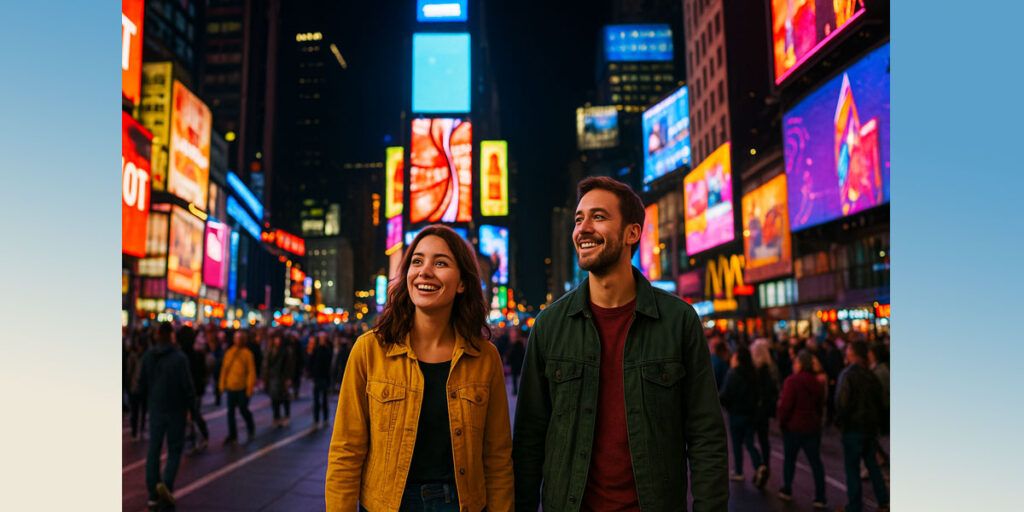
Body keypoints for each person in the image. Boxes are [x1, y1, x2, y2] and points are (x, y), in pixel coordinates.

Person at [513, 177, 728, 512]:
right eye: (579, 219)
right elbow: (528, 439)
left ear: (632, 233)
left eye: (598, 217)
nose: (583, 228)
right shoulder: (549, 325)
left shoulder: (679, 321)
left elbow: (706, 436)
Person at [326, 225, 513, 512]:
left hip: (462, 504)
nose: (425, 271)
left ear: (463, 282)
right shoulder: (370, 350)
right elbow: (346, 451)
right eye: (417, 261)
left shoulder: (484, 357)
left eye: (440, 262)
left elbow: (498, 457)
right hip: (387, 504)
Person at [138, 322, 195, 511]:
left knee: (153, 450)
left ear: (156, 336)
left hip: (156, 409)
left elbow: (141, 384)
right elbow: (187, 387)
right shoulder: (179, 358)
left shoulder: (148, 356)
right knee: (174, 449)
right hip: (176, 410)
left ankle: (153, 492)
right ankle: (166, 485)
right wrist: (192, 409)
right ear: (171, 335)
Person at [835, 341, 890, 512]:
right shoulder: (870, 375)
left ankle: (854, 505)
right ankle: (883, 501)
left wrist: (840, 421)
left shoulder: (848, 375)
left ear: (853, 354)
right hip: (869, 427)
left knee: (852, 469)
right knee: (872, 465)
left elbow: (841, 401)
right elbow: (880, 401)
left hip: (853, 427)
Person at [776, 350, 828, 508]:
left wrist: (782, 423)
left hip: (794, 427)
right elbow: (820, 404)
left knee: (790, 460)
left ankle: (787, 488)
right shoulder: (816, 382)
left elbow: (786, 406)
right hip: (811, 427)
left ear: (799, 364)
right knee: (815, 462)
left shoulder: (792, 381)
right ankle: (820, 496)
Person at [719, 346, 767, 488]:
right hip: (750, 413)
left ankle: (738, 470)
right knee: (749, 442)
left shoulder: (732, 374)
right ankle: (759, 465)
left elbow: (725, 394)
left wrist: (724, 403)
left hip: (736, 413)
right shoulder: (754, 373)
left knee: (736, 443)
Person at [750, 338, 779, 488]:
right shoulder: (769, 370)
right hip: (765, 411)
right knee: (764, 440)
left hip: (754, 410)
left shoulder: (753, 371)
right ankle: (765, 465)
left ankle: (759, 465)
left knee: (748, 439)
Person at [219, 329, 256, 445]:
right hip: (231, 387)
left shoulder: (247, 354)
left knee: (243, 409)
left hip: (242, 387)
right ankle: (232, 435)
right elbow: (224, 369)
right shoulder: (229, 352)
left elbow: (251, 372)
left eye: (239, 338)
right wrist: (221, 385)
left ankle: (250, 427)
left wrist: (250, 387)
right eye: (236, 338)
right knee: (230, 413)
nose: (237, 340)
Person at [179, 325, 210, 453]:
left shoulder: (181, 356)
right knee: (193, 415)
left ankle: (196, 438)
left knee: (192, 415)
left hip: (189, 390)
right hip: (194, 390)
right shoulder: (196, 354)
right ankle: (196, 438)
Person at [263, 332, 295, 427]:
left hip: (282, 378)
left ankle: (286, 416)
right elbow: (266, 365)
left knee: (284, 398)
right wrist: (265, 376)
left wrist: (288, 378)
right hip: (273, 377)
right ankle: (276, 417)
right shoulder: (270, 350)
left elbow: (290, 365)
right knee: (274, 398)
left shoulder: (285, 351)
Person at [310, 331, 333, 427]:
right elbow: (311, 361)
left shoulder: (328, 349)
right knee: (316, 400)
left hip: (324, 377)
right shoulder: (316, 349)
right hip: (317, 377)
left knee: (324, 400)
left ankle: (325, 419)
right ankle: (316, 420)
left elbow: (329, 363)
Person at [125, 339, 147, 441]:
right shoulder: (133, 357)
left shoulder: (146, 357)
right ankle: (135, 432)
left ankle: (141, 431)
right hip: (135, 388)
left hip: (143, 388)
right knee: (135, 412)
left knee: (142, 411)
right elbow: (129, 372)